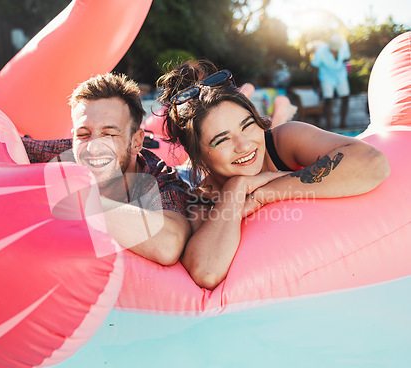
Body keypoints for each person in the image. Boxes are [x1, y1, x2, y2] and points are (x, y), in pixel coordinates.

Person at [157, 60, 390, 290]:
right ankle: (279, 112)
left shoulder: (284, 141)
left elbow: (374, 163)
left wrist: (263, 194)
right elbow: (206, 272)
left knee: (272, 133)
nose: (244, 145)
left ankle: (281, 113)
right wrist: (236, 189)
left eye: (248, 125)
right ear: (198, 154)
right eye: (222, 139)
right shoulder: (201, 199)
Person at [22, 73, 191, 265]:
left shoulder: (159, 178)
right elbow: (7, 144)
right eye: (83, 134)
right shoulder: (68, 153)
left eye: (109, 134)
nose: (93, 147)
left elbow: (168, 245)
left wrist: (80, 198)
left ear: (136, 141)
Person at [311, 33, 351, 129]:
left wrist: (348, 68)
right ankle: (329, 125)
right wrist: (315, 84)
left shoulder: (344, 45)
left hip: (341, 75)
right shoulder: (320, 51)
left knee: (345, 97)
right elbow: (315, 68)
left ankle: (343, 123)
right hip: (326, 76)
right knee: (328, 100)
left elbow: (346, 59)